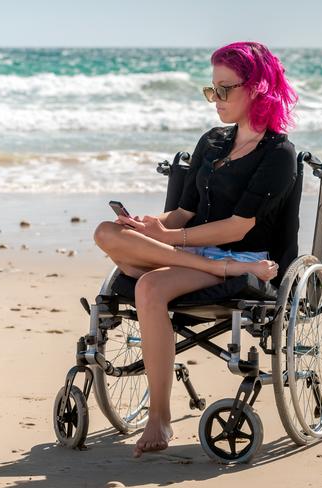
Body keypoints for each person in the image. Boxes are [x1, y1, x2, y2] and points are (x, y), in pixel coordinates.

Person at [93, 41, 299, 457]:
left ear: (258, 88)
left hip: (242, 260)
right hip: (193, 255)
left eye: (224, 89)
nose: (215, 99)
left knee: (149, 288)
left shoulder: (279, 154)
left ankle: (160, 418)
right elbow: (183, 213)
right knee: (106, 232)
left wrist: (168, 239)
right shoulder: (213, 141)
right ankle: (200, 264)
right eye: (211, 90)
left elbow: (240, 227)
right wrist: (149, 225)